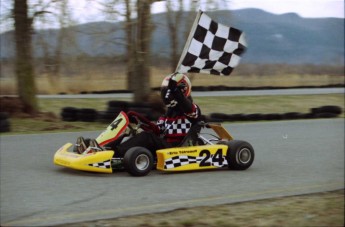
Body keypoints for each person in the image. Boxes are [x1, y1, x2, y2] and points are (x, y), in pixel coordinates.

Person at [74, 73, 201, 157]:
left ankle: (113, 155)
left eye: (169, 91)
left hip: (175, 148)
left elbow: (188, 107)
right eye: (165, 90)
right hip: (163, 144)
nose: (165, 94)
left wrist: (175, 91)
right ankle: (101, 147)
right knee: (132, 131)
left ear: (181, 91)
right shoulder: (168, 112)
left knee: (147, 137)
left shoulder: (191, 110)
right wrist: (142, 122)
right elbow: (158, 130)